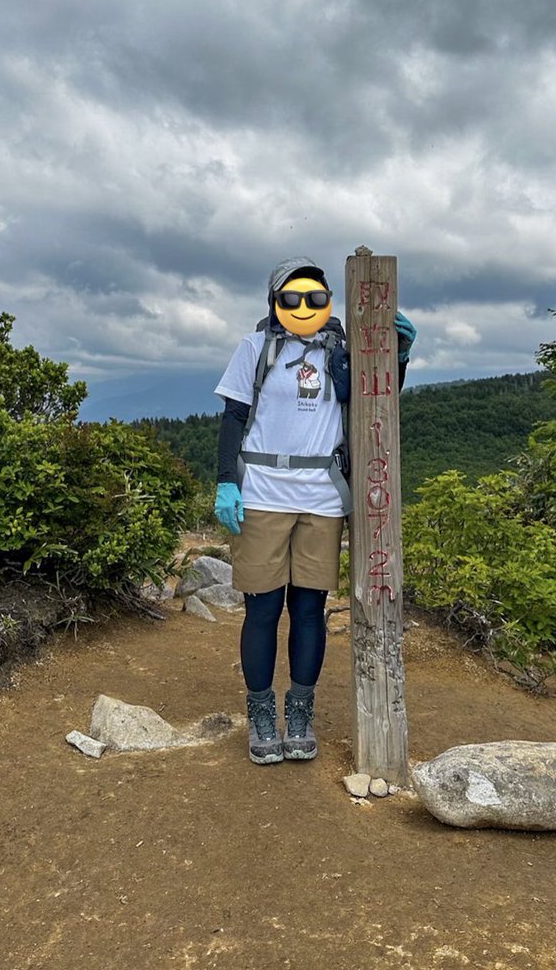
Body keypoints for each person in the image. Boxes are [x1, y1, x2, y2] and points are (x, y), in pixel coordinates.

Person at [213, 257, 416, 764]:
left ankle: (299, 710)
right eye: (292, 297)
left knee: (309, 610)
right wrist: (226, 482)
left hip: (322, 497)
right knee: (262, 608)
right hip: (261, 491)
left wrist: (397, 354)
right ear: (275, 301)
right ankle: (262, 713)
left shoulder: (342, 352)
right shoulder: (255, 347)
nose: (304, 306)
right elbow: (233, 417)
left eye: (316, 297)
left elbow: (375, 397)